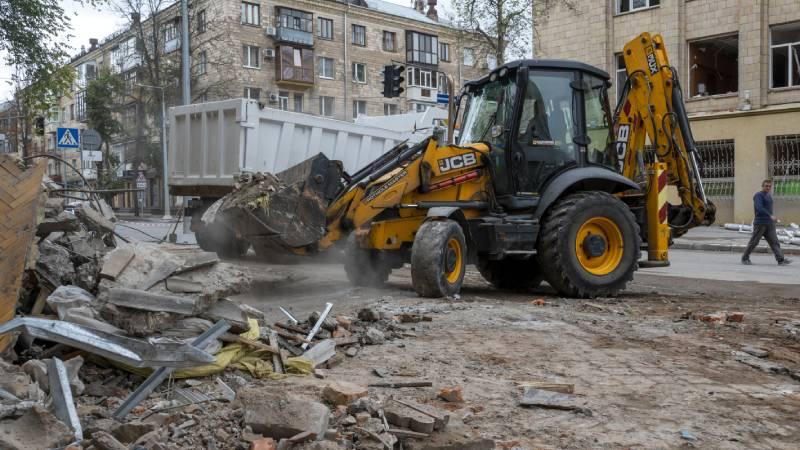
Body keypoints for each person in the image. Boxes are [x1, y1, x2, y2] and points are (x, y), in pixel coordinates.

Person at [741, 179, 792, 265]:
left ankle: (780, 260)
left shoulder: (769, 195)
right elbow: (759, 208)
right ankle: (745, 258)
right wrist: (770, 215)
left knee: (774, 242)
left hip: (770, 224)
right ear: (762, 186)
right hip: (760, 223)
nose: (768, 188)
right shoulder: (758, 195)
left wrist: (771, 218)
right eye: (766, 186)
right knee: (754, 242)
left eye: (769, 186)